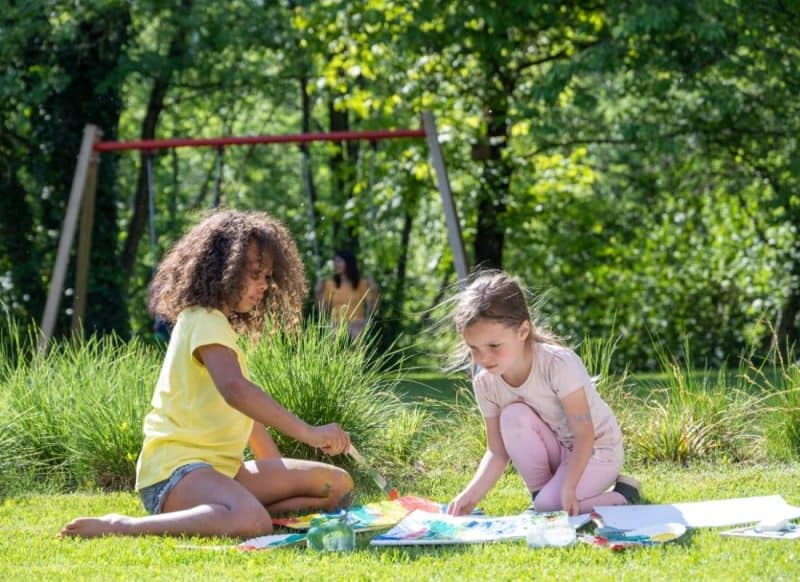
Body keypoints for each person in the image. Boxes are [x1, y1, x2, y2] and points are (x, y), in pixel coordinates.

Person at [61, 210, 353, 539]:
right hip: (174, 472)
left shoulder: (223, 329)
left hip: (223, 473)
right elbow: (236, 391)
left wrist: (276, 476)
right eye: (255, 274)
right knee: (252, 521)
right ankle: (122, 526)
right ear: (223, 269)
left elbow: (246, 416)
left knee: (337, 485)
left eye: (267, 275)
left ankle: (232, 509)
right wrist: (310, 433)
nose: (264, 285)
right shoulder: (202, 318)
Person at [445, 271, 640, 517]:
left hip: (596, 450)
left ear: (523, 331)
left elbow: (584, 435)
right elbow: (497, 451)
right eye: (474, 348)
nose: (484, 358)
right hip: (559, 450)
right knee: (513, 416)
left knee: (551, 506)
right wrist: (469, 495)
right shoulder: (486, 383)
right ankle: (541, 498)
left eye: (494, 346)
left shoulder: (557, 364)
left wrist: (569, 488)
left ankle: (624, 495)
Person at [315, 249, 378, 340]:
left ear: (349, 263)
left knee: (355, 334)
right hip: (336, 324)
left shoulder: (360, 284)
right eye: (334, 261)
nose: (335, 264)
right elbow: (322, 310)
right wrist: (317, 292)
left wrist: (374, 289)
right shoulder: (330, 284)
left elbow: (374, 308)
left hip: (356, 325)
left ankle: (356, 351)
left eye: (339, 261)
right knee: (334, 334)